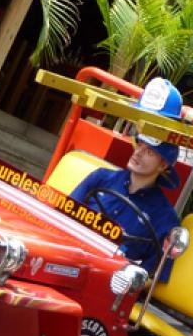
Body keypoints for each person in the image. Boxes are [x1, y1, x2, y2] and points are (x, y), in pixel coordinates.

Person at [70, 78, 182, 281]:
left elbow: (150, 278)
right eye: (139, 145)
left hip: (108, 281)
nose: (138, 153)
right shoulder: (100, 178)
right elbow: (63, 214)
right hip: (69, 256)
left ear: (163, 164)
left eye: (149, 151)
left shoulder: (166, 218)